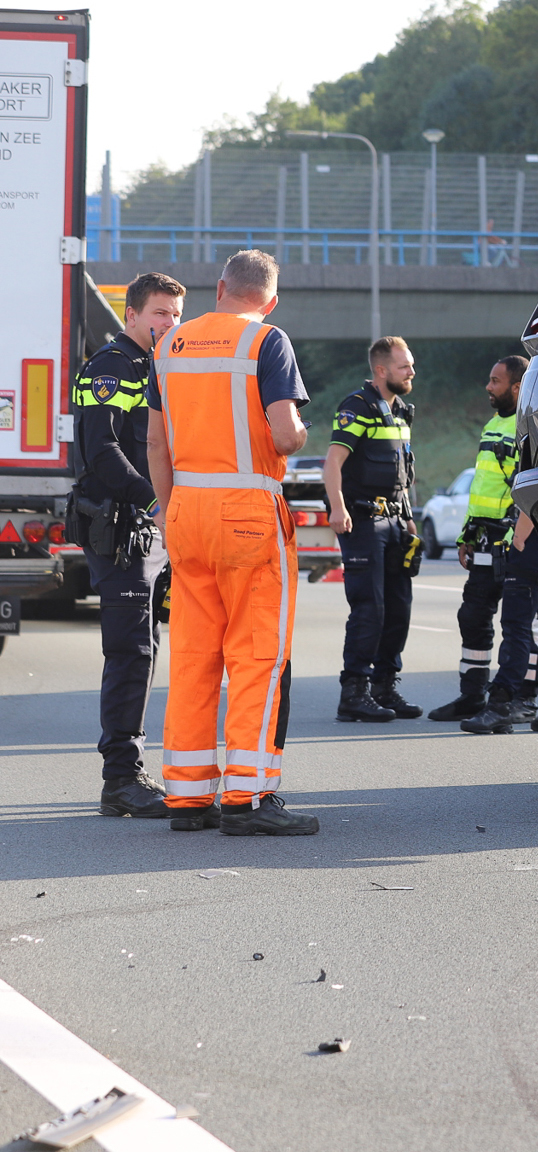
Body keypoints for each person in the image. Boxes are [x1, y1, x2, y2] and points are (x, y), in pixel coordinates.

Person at [144, 250, 317, 835]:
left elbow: (155, 446)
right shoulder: (267, 341)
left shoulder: (169, 346)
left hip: (187, 512)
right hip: (246, 512)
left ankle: (188, 799)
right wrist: (297, 430)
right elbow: (286, 434)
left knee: (194, 655)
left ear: (219, 288)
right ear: (270, 300)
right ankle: (248, 798)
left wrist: (172, 515)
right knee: (256, 656)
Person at [72, 272, 185, 818]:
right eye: (161, 313)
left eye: (177, 314)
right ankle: (119, 779)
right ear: (133, 315)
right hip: (120, 529)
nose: (170, 323)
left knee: (147, 647)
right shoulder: (112, 365)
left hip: (148, 531)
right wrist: (156, 502)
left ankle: (129, 770)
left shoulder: (156, 367)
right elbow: (103, 451)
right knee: (130, 651)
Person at [324, 336, 421, 722]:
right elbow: (333, 462)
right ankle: (354, 693)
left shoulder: (400, 412)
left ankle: (385, 687)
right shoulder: (357, 407)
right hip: (363, 521)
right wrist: (337, 508)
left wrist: (409, 516)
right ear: (381, 370)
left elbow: (402, 474)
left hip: (397, 521)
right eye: (404, 366)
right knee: (371, 609)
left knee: (399, 609)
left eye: (410, 365)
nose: (412, 372)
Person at [428, 355, 524, 721]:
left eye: (495, 381)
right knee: (473, 617)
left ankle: (522, 699)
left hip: (513, 541)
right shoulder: (492, 425)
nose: (488, 387)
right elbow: (484, 487)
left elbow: (526, 488)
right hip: (484, 539)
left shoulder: (529, 424)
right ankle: (472, 696)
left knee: (520, 623)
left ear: (517, 387)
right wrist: (467, 533)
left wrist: (517, 538)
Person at [461, 510, 538, 734]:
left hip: (534, 540)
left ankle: (500, 705)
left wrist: (519, 537)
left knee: (516, 626)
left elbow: (532, 494)